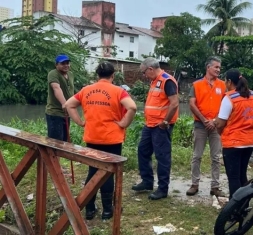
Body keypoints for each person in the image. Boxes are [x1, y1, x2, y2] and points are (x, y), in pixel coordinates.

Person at [65, 62, 137, 220]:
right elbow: (132, 107)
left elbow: (68, 105)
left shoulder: (86, 90)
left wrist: (79, 121)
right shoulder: (119, 91)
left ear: (97, 75)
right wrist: (124, 123)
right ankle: (107, 210)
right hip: (112, 138)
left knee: (93, 171)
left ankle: (89, 209)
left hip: (92, 137)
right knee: (108, 174)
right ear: (113, 76)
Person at [132, 57, 179, 200]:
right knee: (143, 151)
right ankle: (147, 182)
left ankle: (162, 189)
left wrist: (165, 121)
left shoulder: (167, 80)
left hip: (161, 126)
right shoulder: (154, 81)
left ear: (150, 69)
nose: (144, 75)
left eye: (144, 72)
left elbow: (174, 103)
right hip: (150, 124)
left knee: (162, 156)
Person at [214, 69, 253, 199]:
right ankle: (244, 203)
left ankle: (235, 207)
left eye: (225, 81)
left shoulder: (229, 98)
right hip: (249, 141)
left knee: (233, 177)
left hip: (233, 142)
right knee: (242, 174)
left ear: (229, 81)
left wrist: (219, 131)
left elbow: (220, 123)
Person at [186, 56, 226, 197]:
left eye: (219, 68)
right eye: (216, 67)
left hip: (216, 126)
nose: (218, 70)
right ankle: (194, 184)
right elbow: (192, 104)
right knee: (197, 156)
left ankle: (215, 186)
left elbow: (225, 105)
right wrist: (204, 120)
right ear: (208, 67)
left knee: (216, 157)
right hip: (200, 125)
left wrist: (214, 121)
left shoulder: (222, 85)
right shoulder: (196, 85)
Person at [45, 54, 74, 142]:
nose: (66, 65)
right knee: (55, 142)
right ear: (56, 65)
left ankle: (60, 156)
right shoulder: (53, 73)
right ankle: (50, 156)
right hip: (55, 113)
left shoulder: (70, 74)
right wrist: (64, 104)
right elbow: (56, 88)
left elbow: (71, 90)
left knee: (64, 141)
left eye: (67, 63)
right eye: (63, 63)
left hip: (66, 113)